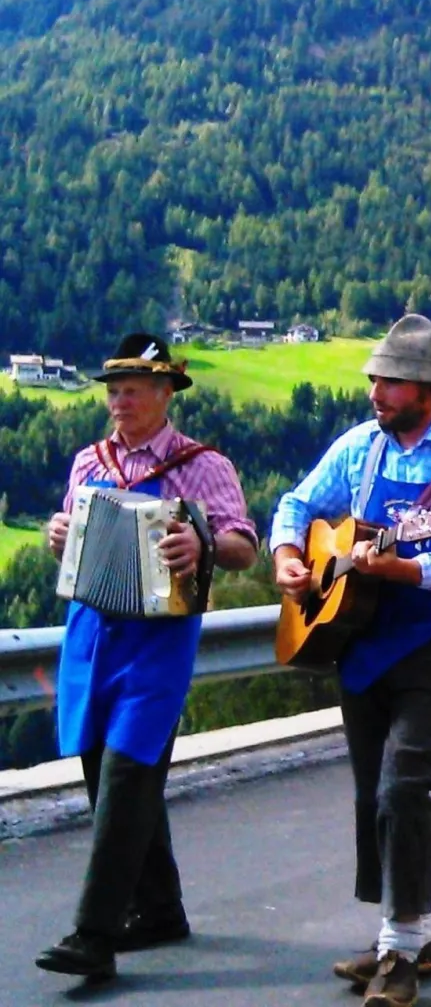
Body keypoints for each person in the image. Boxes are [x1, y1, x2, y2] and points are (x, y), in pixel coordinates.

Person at [270, 316, 431, 1007]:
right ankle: (400, 933)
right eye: (374, 377)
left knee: (405, 785)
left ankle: (401, 956)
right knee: (370, 791)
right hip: (363, 634)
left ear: (428, 389)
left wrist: (397, 566)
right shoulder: (360, 448)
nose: (375, 389)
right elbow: (298, 503)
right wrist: (290, 556)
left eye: (389, 379)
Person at [36, 334, 258, 983]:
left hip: (159, 641)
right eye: (112, 389)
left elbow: (245, 543)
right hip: (90, 633)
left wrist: (203, 541)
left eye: (131, 389)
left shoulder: (202, 464)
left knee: (129, 772)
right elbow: (73, 545)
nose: (118, 401)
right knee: (104, 770)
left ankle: (93, 934)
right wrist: (57, 534)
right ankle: (159, 908)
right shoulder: (89, 462)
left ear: (165, 394)